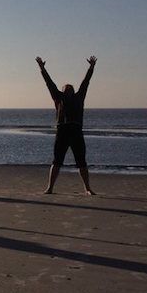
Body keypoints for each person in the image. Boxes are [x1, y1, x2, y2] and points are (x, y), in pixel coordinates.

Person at [36, 56, 97, 195]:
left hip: (76, 131)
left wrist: (91, 67)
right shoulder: (58, 98)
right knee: (57, 161)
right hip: (62, 131)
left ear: (73, 91)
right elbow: (49, 83)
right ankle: (50, 188)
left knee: (81, 161)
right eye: (66, 88)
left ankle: (87, 188)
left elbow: (86, 82)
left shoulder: (79, 97)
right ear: (62, 91)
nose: (68, 88)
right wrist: (42, 68)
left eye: (70, 88)